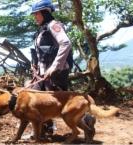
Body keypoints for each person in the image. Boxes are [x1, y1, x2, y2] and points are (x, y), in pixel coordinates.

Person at [29, 0, 95, 139]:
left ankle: (87, 121)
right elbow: (41, 52)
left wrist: (54, 66)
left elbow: (65, 43)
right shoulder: (42, 28)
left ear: (45, 12)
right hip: (43, 73)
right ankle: (44, 130)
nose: (35, 16)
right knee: (42, 102)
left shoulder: (54, 25)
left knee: (61, 103)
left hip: (55, 74)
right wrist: (35, 65)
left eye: (37, 13)